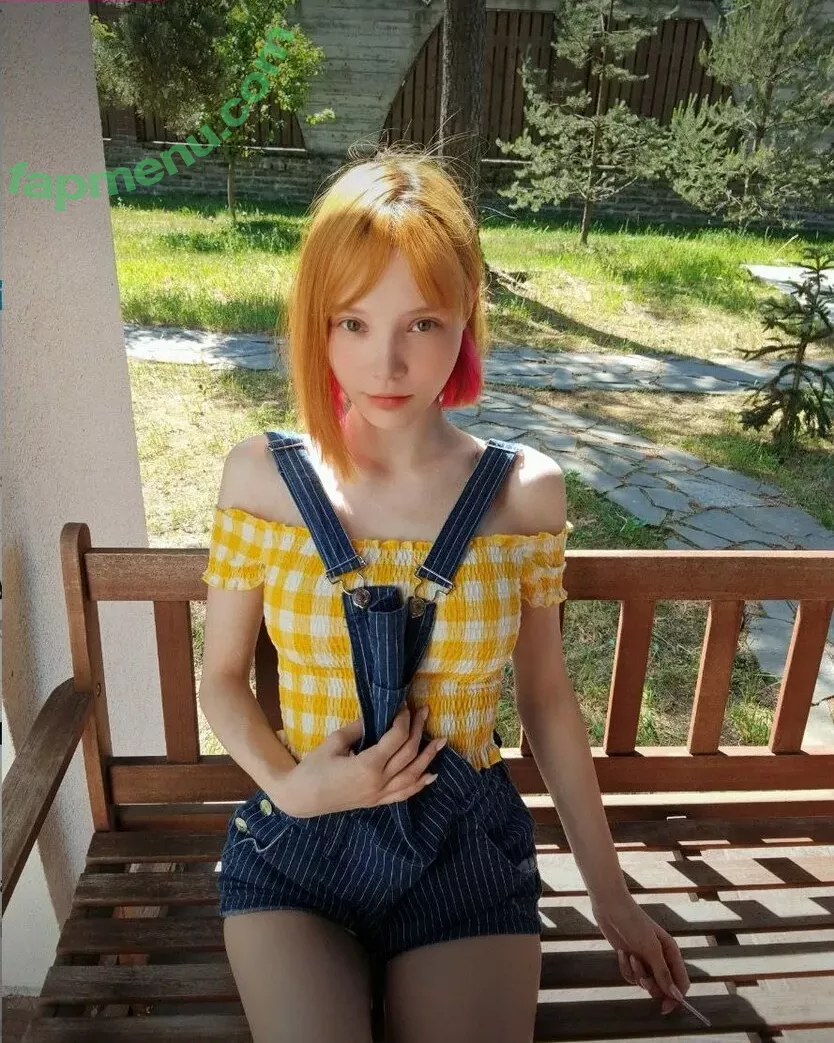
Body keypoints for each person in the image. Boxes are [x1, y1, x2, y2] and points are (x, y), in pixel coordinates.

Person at [198, 145, 690, 1043]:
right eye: (352, 322)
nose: (385, 362)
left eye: (421, 322)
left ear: (465, 315)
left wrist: (610, 893)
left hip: (464, 846)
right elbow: (222, 677)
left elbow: (545, 697)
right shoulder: (263, 476)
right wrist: (291, 788)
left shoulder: (523, 492)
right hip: (299, 846)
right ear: (316, 324)